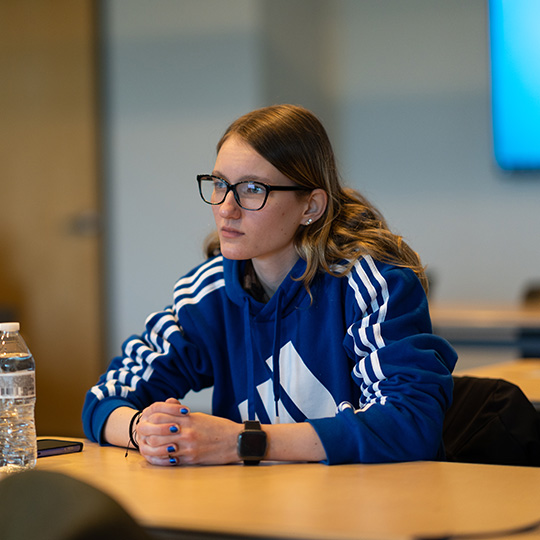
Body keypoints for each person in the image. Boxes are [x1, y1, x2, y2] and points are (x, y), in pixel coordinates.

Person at [82, 104, 457, 466]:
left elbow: (411, 422)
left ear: (310, 206)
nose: (226, 208)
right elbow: (105, 399)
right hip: (257, 511)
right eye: (219, 184)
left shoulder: (369, 280)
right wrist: (146, 430)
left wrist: (242, 442)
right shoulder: (210, 292)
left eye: (252, 189)